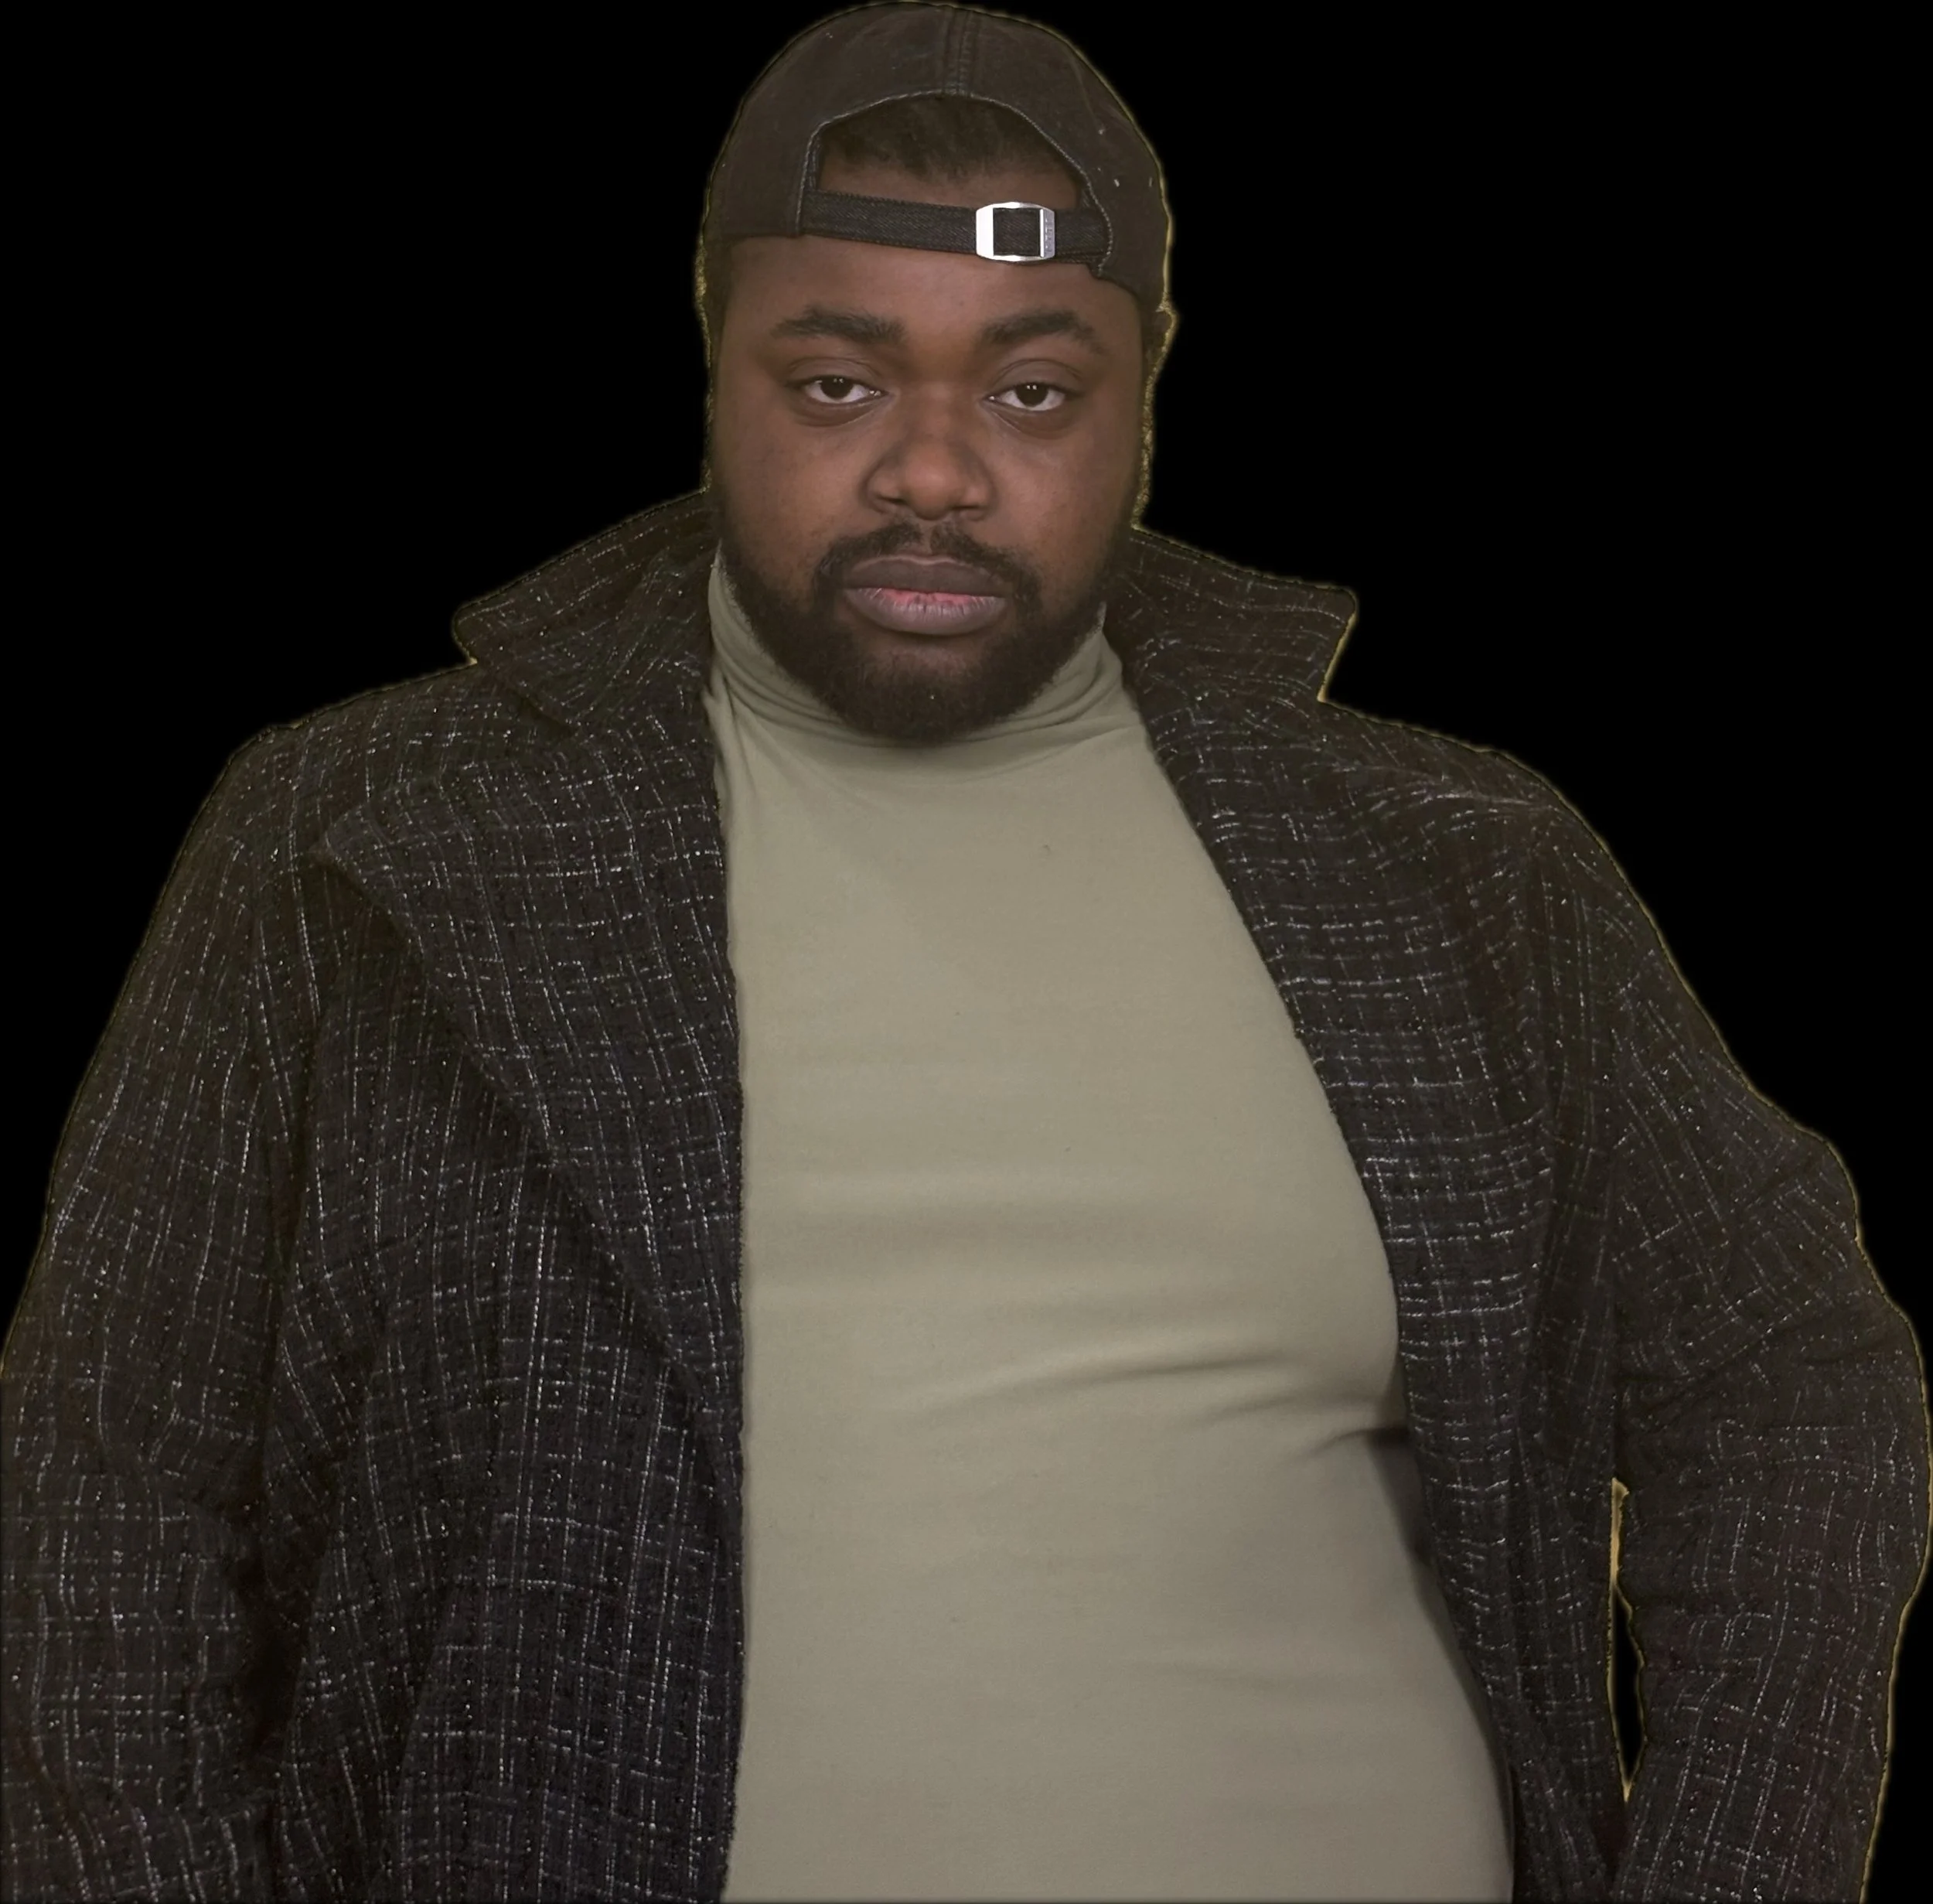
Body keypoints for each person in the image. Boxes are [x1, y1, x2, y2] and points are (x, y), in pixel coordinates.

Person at [4, 4, 1925, 1899]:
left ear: (1148, 387)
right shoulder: (358, 843)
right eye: (836, 382)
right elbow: (108, 1480)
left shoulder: (1455, 867)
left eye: (1030, 389)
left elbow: (1784, 1370)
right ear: (710, 353)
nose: (931, 469)